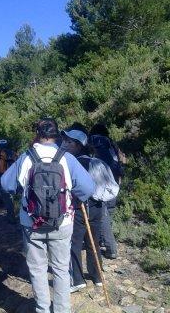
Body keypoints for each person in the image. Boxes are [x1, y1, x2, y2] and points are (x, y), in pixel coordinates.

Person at [2, 118, 95, 313]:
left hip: (31, 222)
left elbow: (6, 184)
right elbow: (88, 188)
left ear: (37, 134)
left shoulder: (26, 157)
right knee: (61, 269)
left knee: (37, 270)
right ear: (57, 135)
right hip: (62, 222)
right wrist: (75, 198)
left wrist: (23, 190)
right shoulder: (67, 158)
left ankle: (42, 309)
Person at [61, 124, 119, 293]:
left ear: (78, 145)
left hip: (78, 209)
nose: (65, 144)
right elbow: (111, 188)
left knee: (75, 243)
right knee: (93, 241)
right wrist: (99, 198)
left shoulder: (71, 164)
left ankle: (78, 279)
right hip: (97, 207)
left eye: (69, 142)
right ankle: (97, 276)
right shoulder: (97, 162)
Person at [89, 123, 124, 259]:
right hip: (114, 181)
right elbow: (118, 161)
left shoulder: (95, 141)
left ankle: (110, 247)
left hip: (102, 182)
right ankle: (104, 240)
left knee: (102, 214)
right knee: (109, 211)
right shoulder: (111, 143)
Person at [0, 139, 17, 223]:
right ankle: (15, 214)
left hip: (5, 178)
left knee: (7, 198)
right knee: (13, 198)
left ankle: (11, 217)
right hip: (14, 177)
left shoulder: (2, 154)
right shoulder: (13, 153)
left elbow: (1, 169)